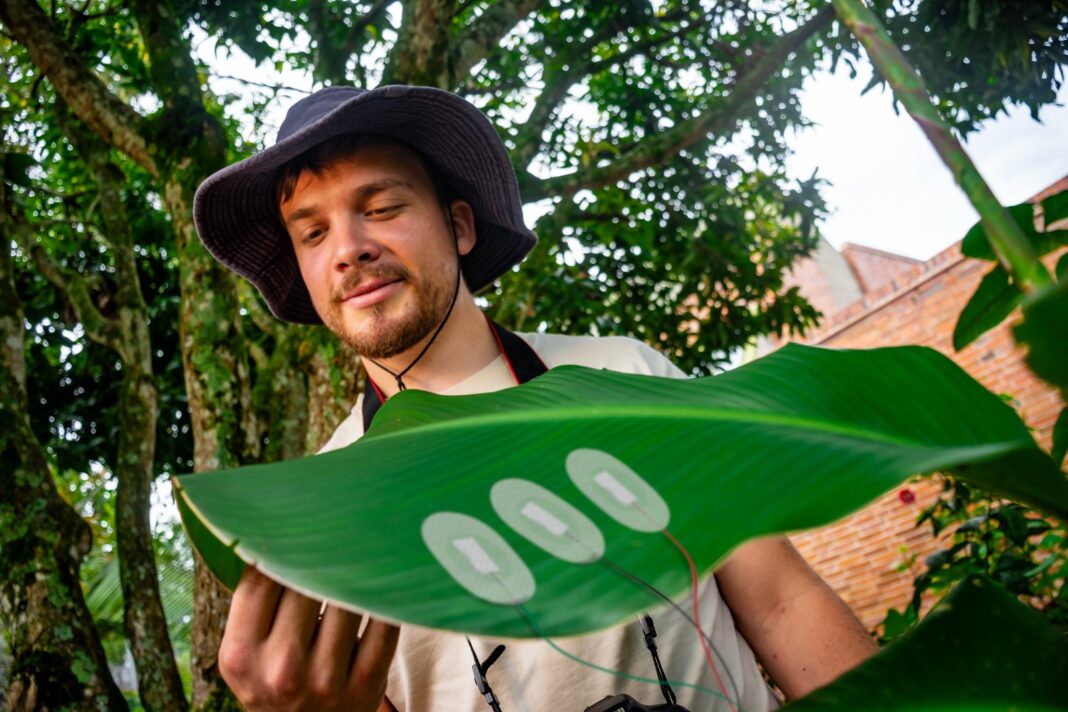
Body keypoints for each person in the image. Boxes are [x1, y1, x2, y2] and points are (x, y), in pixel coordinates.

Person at [193, 85, 877, 712]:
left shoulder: (627, 376)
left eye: (382, 207)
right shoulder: (320, 516)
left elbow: (782, 603)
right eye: (312, 233)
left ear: (460, 227)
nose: (349, 249)